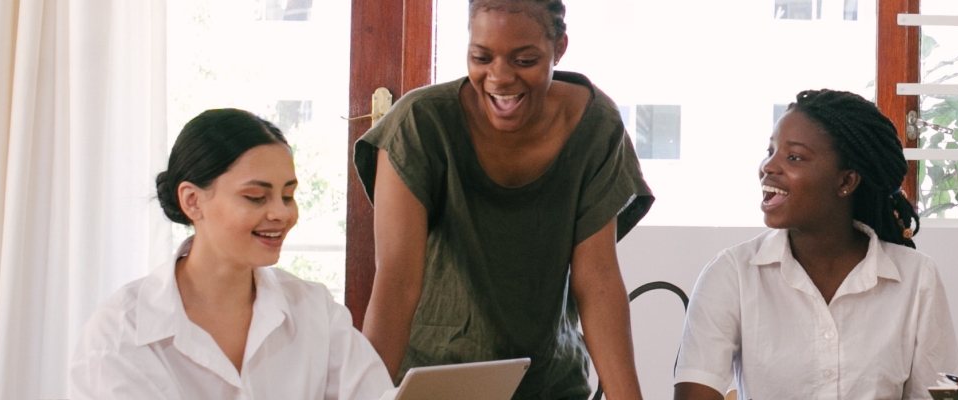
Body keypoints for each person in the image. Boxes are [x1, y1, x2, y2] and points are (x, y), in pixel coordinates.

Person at [353, 0, 655, 398]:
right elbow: (397, 282)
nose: (499, 77)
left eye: (525, 60)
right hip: (434, 381)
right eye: (481, 57)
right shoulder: (418, 124)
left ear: (559, 48)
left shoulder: (596, 127)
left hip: (550, 380)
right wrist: (365, 394)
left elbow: (597, 281)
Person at [70, 109, 394, 399]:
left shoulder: (314, 311)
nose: (282, 213)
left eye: (288, 195)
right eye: (255, 197)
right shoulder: (120, 330)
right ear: (193, 201)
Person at [671, 90, 958, 400]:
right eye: (771, 151)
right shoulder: (731, 274)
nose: (769, 166)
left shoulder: (917, 278)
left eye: (793, 157)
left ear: (846, 182)